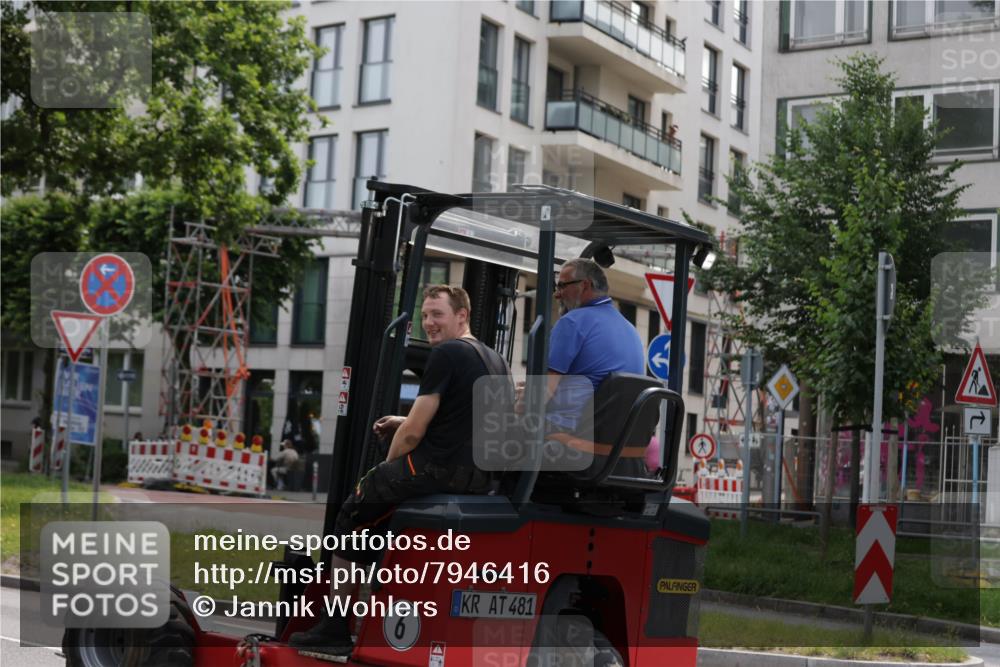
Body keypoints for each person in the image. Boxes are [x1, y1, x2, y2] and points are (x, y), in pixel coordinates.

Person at [290, 285, 509, 655]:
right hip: (476, 475)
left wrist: (384, 469)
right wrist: (403, 419)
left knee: (355, 509)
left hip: (437, 467)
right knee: (378, 513)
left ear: (462, 315)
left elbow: (412, 435)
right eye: (425, 315)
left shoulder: (448, 353)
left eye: (437, 314)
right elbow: (464, 418)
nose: (429, 323)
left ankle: (335, 624)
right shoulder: (495, 360)